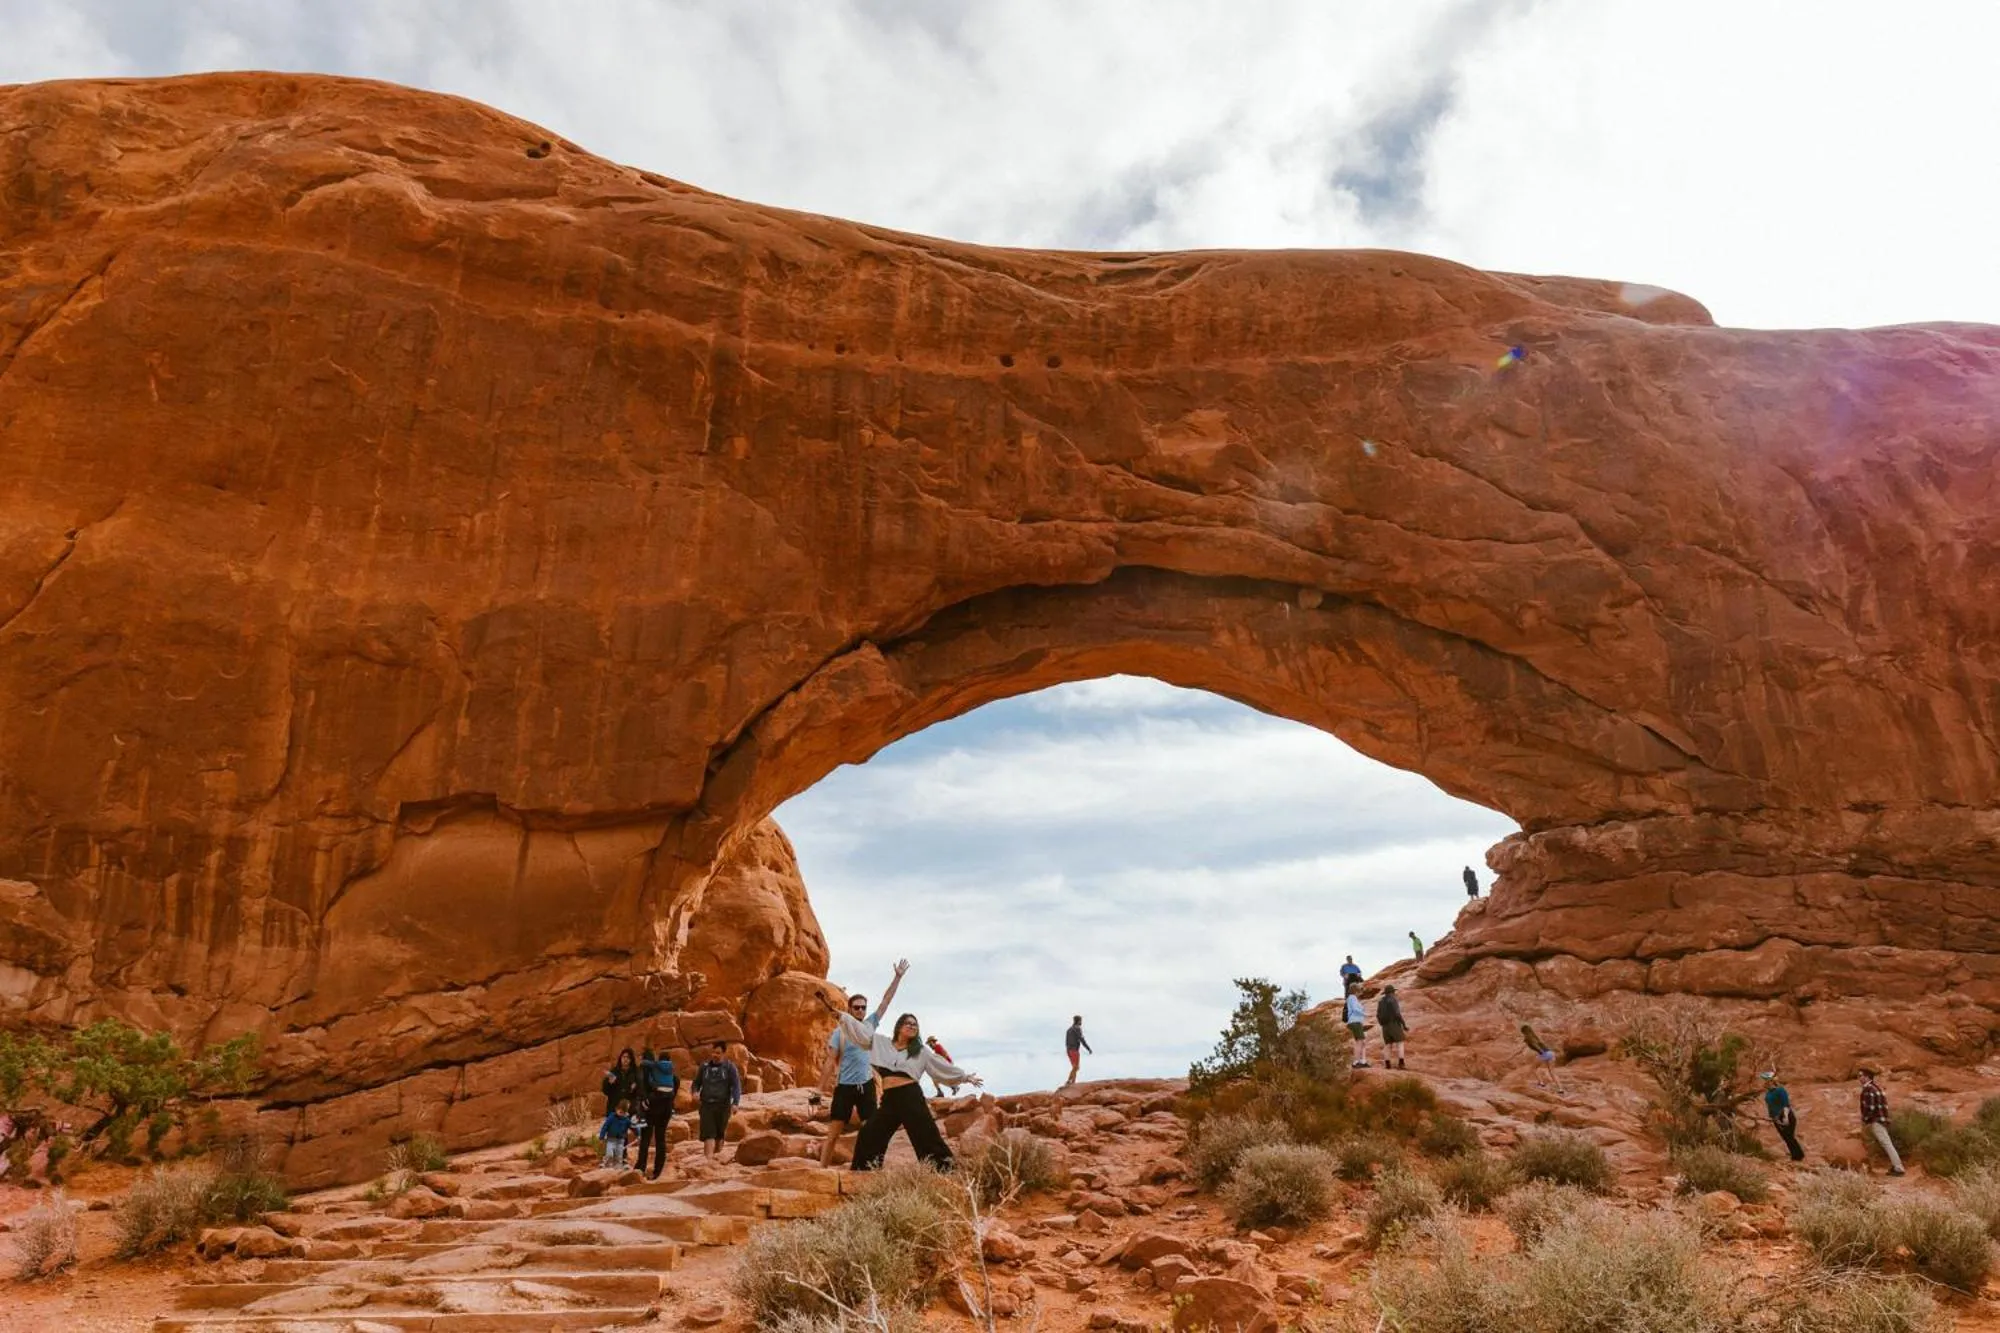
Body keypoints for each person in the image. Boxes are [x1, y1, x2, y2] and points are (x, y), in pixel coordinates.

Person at [819, 961, 982, 1171]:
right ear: (899, 1027)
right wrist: (841, 1017)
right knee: (870, 1134)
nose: (912, 1027)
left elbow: (940, 1066)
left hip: (910, 1096)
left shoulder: (920, 1051)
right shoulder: (882, 1043)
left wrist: (964, 1077)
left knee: (926, 1136)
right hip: (890, 1099)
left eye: (915, 1025)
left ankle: (947, 1173)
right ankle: (864, 1173)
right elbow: (858, 1033)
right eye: (908, 1023)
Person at [820, 971, 904, 1167]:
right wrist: (818, 1089)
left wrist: (897, 978)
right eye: (856, 1007)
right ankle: (821, 1170)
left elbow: (885, 1002)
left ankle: (870, 1168)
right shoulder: (839, 1032)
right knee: (833, 1133)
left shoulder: (869, 1025)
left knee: (871, 1131)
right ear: (849, 1009)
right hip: (844, 1087)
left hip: (866, 1086)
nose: (860, 1011)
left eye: (863, 1008)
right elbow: (830, 1060)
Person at [635, 1047, 681, 1179]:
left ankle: (640, 1168)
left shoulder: (646, 1071)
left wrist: (644, 1102)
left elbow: (641, 1089)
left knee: (646, 1139)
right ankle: (658, 1171)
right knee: (660, 1139)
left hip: (651, 1108)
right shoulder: (671, 1075)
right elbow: (675, 1086)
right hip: (666, 1109)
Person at [692, 1041, 742, 1159]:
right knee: (709, 1134)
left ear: (724, 1054)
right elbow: (696, 1083)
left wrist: (735, 1103)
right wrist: (695, 1092)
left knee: (720, 1134)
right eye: (713, 1052)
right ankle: (708, 1160)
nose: (715, 1055)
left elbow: (736, 1086)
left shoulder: (730, 1067)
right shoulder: (704, 1067)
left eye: (718, 1053)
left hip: (723, 1106)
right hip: (707, 1105)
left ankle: (717, 1158)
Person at [1859, 1067, 1904, 1176]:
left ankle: (1898, 1168)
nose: (1859, 1078)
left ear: (1867, 1077)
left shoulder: (1869, 1089)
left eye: (1861, 1075)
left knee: (1886, 1143)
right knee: (1884, 1142)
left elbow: (1870, 1107)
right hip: (1881, 1119)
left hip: (1876, 1120)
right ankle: (1895, 1166)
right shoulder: (1876, 1087)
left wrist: (1865, 1119)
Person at [1760, 1071, 1805, 1162]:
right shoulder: (1768, 1093)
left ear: (1771, 1081)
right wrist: (1774, 1118)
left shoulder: (1780, 1090)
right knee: (1786, 1137)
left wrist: (1785, 1117)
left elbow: (1786, 1104)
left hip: (1786, 1115)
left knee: (1789, 1136)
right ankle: (1795, 1156)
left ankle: (1798, 1156)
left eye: (1767, 1081)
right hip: (1776, 1118)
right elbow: (1771, 1106)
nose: (1765, 1083)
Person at [1521, 1023, 1564, 1093]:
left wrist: (1540, 1053)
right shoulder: (1535, 1037)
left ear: (1524, 1032)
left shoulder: (1528, 1039)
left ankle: (1541, 1083)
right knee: (1552, 1072)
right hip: (1551, 1053)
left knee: (1533, 1068)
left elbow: (1535, 1047)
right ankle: (1560, 1089)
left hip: (1544, 1053)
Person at [600, 1047, 641, 1118]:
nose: (625, 1059)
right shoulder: (614, 1071)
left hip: (629, 1110)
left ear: (631, 1060)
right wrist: (609, 1083)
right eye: (623, 1057)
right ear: (620, 1058)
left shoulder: (636, 1073)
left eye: (628, 1057)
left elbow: (641, 1091)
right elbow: (605, 1091)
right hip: (614, 1109)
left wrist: (634, 1088)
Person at [1377, 985, 1409, 1069]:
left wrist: (1382, 1024)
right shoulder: (1393, 1000)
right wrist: (1404, 1024)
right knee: (1400, 1042)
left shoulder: (1381, 1001)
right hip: (1394, 1023)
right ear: (1392, 992)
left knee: (1388, 1045)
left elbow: (1377, 1015)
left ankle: (1387, 1064)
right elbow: (1397, 1013)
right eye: (1394, 992)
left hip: (1385, 1026)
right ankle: (1401, 1064)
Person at [599, 1099, 633, 1169]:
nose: (620, 1114)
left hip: (620, 1141)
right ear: (617, 1109)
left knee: (618, 1156)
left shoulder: (626, 1120)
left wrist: (638, 1133)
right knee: (609, 1154)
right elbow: (605, 1126)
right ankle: (605, 1164)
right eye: (619, 1111)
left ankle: (617, 1168)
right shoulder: (611, 1117)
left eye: (623, 1112)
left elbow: (633, 1126)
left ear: (626, 1113)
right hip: (611, 1139)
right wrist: (601, 1137)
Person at [1344, 988, 1371, 1068]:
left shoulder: (1352, 998)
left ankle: (1362, 1061)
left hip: (1356, 1022)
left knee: (1361, 1042)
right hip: (1355, 1022)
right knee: (1359, 1042)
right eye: (1359, 991)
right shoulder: (1352, 997)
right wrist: (1364, 1014)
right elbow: (1355, 1009)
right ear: (1355, 991)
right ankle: (1356, 1062)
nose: (1360, 993)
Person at [1064, 1015, 1093, 1086]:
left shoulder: (1069, 1029)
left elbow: (1066, 1041)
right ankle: (1068, 1081)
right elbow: (1081, 1039)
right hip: (1074, 1050)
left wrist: (1068, 1049)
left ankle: (1073, 1083)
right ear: (1079, 1021)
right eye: (1081, 1021)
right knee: (1076, 1067)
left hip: (1069, 1050)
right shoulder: (1077, 1028)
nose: (1081, 1022)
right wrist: (1088, 1048)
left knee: (1075, 1067)